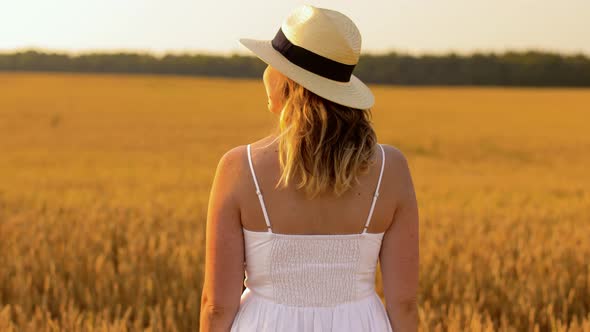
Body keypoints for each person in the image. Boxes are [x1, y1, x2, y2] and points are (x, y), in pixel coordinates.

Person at [200, 4, 419, 332]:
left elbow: (217, 306)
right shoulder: (392, 168)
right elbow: (404, 304)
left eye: (270, 64)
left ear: (287, 81)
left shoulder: (238, 167)